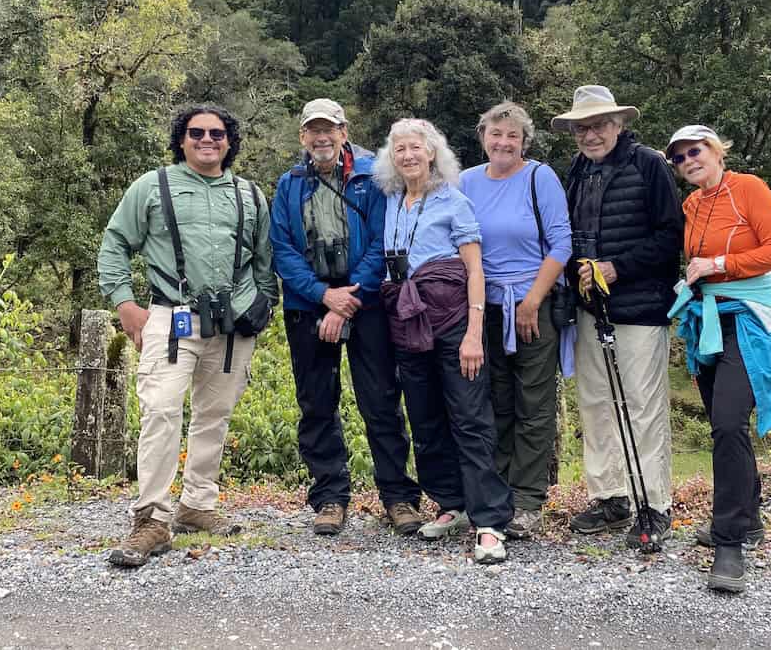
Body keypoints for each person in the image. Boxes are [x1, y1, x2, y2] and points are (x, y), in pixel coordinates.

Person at [97, 104, 277, 567]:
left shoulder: (250, 194)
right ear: (181, 138)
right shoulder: (152, 187)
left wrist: (261, 303)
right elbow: (115, 242)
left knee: (214, 414)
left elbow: (264, 259)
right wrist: (125, 304)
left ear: (229, 141)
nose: (207, 140)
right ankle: (152, 518)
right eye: (196, 132)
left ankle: (197, 505)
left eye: (217, 133)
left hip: (233, 323)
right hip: (170, 316)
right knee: (159, 411)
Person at [270, 99, 422, 537]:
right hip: (307, 302)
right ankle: (330, 497)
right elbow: (282, 249)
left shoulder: (373, 176)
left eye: (329, 129)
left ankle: (398, 496)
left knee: (380, 399)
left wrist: (348, 298)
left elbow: (382, 238)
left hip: (366, 300)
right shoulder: (289, 184)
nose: (321, 137)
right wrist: (323, 296)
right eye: (313, 130)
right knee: (317, 403)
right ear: (302, 136)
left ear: (344, 131)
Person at [664, 124, 771, 593]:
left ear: (716, 150)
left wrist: (719, 266)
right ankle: (750, 518)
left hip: (749, 321)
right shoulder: (692, 205)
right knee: (725, 426)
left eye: (695, 150)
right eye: (680, 157)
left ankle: (728, 543)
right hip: (707, 324)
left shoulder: (749, 189)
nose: (688, 160)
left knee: (726, 423)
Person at [374, 118, 514, 564]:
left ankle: (489, 521)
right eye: (400, 150)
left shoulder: (454, 201)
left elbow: (475, 270)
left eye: (416, 147)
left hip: (453, 320)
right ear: (391, 159)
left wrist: (474, 333)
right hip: (407, 321)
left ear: (432, 152)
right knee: (425, 415)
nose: (409, 156)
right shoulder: (392, 201)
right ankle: (450, 502)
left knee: (470, 418)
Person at [551, 86, 683, 548]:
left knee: (643, 407)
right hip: (591, 307)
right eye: (582, 127)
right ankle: (610, 497)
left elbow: (671, 237)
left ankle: (654, 503)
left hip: (641, 307)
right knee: (595, 403)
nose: (590, 135)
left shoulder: (649, 165)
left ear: (619, 124)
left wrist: (615, 268)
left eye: (599, 124)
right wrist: (576, 274)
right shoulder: (577, 171)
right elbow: (567, 236)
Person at [460, 102, 571, 539]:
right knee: (496, 402)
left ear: (524, 142)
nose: (503, 142)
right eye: (496, 134)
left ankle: (528, 498)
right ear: (483, 136)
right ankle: (498, 493)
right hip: (483, 307)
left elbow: (561, 242)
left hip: (532, 304)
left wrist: (531, 301)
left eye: (512, 136)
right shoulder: (467, 181)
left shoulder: (539, 177)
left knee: (534, 404)